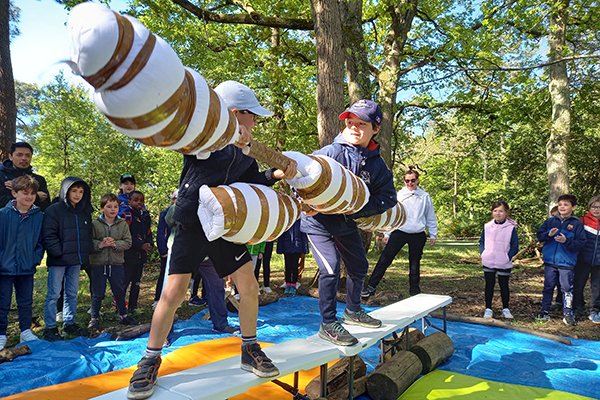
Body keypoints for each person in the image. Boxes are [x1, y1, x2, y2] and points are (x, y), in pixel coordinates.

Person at [126, 80, 296, 399]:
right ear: (234, 113)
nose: (256, 121)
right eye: (253, 115)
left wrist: (274, 175)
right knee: (174, 292)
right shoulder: (203, 136)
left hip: (225, 226)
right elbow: (193, 144)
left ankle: (249, 348)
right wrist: (227, 133)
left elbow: (251, 183)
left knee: (248, 287)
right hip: (192, 224)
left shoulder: (245, 154)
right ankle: (149, 359)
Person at [301, 99, 396, 347]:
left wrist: (359, 209)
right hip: (318, 223)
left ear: (375, 129)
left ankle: (353, 311)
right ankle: (328, 323)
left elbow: (388, 197)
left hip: (346, 223)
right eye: (350, 122)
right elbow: (301, 178)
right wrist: (303, 198)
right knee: (330, 268)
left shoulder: (377, 164)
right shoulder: (331, 152)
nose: (353, 128)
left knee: (359, 265)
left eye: (361, 124)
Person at [362, 168, 438, 299]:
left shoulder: (425, 196)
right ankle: (371, 287)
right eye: (407, 181)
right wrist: (387, 234)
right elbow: (392, 214)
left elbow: (430, 216)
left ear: (418, 180)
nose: (410, 183)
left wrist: (433, 234)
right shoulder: (399, 195)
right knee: (385, 259)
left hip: (418, 234)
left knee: (414, 264)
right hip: (400, 231)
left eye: (413, 180)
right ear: (404, 181)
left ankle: (414, 292)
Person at [42, 176, 93, 340]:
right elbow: (48, 235)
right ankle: (50, 328)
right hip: (59, 261)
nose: (77, 195)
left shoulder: (83, 212)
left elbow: (87, 235)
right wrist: (59, 252)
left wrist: (84, 255)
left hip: (76, 261)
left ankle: (69, 324)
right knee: (54, 294)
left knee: (71, 293)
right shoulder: (54, 210)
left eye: (81, 191)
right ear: (66, 190)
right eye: (74, 191)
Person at [0, 175, 44, 350]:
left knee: (25, 301)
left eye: (32, 193)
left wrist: (34, 259)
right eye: (25, 193)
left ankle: (25, 330)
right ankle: (1, 333)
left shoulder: (39, 216)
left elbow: (41, 242)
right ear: (14, 193)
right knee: (3, 302)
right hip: (5, 267)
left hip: (27, 267)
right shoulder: (3, 215)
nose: (29, 197)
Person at [88, 193, 139, 331]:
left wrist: (115, 243)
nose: (112, 209)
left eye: (115, 207)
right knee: (98, 292)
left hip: (116, 263)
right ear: (102, 208)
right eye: (109, 206)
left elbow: (128, 242)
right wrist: (101, 244)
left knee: (119, 290)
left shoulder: (122, 224)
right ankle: (94, 318)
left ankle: (123, 315)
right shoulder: (94, 224)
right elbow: (88, 242)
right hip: (99, 263)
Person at [535, 194, 586, 326]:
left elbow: (581, 243)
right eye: (560, 204)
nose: (562, 207)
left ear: (573, 207)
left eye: (566, 204)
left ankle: (568, 313)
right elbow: (540, 236)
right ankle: (544, 311)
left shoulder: (577, 224)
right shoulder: (550, 221)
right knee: (548, 287)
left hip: (566, 263)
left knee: (566, 288)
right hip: (550, 262)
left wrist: (566, 241)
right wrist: (549, 235)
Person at [479, 201, 518, 319]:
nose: (498, 213)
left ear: (506, 213)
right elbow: (482, 242)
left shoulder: (511, 228)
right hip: (489, 261)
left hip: (504, 262)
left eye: (501, 211)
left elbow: (515, 245)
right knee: (489, 285)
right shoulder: (487, 227)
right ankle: (488, 308)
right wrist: (483, 254)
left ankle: (506, 308)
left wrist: (507, 257)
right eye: (495, 211)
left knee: (504, 286)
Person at [121, 190, 153, 314]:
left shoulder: (146, 215)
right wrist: (140, 245)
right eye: (136, 200)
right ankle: (121, 307)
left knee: (137, 282)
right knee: (125, 281)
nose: (139, 203)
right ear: (129, 202)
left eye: (141, 200)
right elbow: (125, 235)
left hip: (141, 256)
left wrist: (149, 244)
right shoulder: (126, 215)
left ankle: (133, 307)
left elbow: (148, 232)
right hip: (128, 255)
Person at [0, 142, 51, 211]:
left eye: (27, 155)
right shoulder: (2, 176)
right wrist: (35, 197)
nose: (24, 158)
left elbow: (46, 206)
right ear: (10, 157)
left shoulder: (39, 179)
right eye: (19, 155)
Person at [574, 195, 600, 324]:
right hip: (583, 260)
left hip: (598, 263)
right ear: (589, 207)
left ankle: (594, 311)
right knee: (578, 285)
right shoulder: (582, 221)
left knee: (597, 288)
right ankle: (577, 308)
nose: (596, 210)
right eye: (594, 207)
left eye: (599, 207)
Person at [154, 190, 177, 309]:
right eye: (176, 199)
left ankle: (172, 301)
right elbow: (161, 232)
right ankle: (158, 299)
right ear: (173, 200)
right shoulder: (166, 213)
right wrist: (162, 250)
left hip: (179, 250)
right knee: (164, 274)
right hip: (168, 249)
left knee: (175, 276)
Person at [277, 219, 309, 295]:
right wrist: (280, 248)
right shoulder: (285, 222)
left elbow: (304, 236)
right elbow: (281, 236)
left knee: (295, 267)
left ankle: (294, 284)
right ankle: (288, 284)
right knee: (288, 266)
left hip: (297, 247)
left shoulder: (300, 221)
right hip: (286, 247)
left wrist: (305, 249)